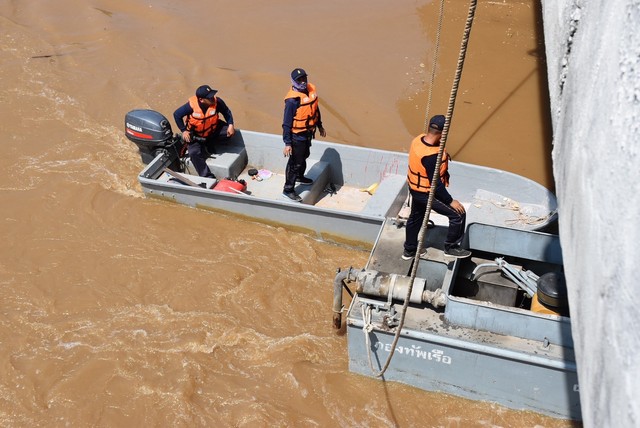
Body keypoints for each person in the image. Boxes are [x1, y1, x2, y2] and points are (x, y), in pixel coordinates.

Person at [403, 115, 472, 260]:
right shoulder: (431, 156)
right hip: (426, 193)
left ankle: (409, 250)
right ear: (443, 132)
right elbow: (436, 185)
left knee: (415, 218)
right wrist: (450, 201)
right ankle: (451, 247)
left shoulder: (418, 139)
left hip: (414, 189)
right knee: (458, 214)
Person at [281, 68, 326, 202]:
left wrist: (320, 126)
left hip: (307, 133)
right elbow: (286, 124)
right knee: (295, 162)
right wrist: (287, 143)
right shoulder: (292, 101)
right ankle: (288, 189)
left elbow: (315, 109)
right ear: (293, 81)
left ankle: (300, 176)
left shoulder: (310, 93)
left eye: (304, 79)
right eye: (299, 80)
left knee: (305, 155)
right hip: (297, 136)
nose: (303, 82)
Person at [173, 85, 235, 178]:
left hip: (212, 130)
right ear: (201, 100)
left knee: (229, 133)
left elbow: (226, 111)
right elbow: (177, 114)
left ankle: (208, 143)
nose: (212, 98)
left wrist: (231, 124)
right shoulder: (190, 106)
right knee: (194, 153)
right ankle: (207, 176)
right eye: (209, 97)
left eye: (212, 95)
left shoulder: (217, 102)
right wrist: (184, 131)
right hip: (196, 134)